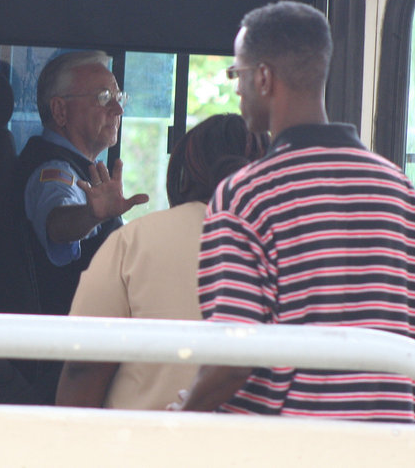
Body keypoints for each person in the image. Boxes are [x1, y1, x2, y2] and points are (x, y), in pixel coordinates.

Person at [177, 1, 415, 422]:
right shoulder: (400, 193)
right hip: (390, 451)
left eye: (237, 75)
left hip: (289, 451)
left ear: (263, 78)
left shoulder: (246, 197)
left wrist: (181, 417)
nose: (237, 90)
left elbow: (233, 358)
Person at [55, 114, 268, 410]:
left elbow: (85, 367)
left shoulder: (133, 241)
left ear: (181, 175)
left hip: (142, 444)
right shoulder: (291, 243)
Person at [15, 50, 149, 318]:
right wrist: (90, 215)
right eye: (103, 98)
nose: (118, 109)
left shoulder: (77, 167)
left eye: (118, 98)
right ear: (60, 110)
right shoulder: (53, 171)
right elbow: (58, 224)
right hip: (74, 341)